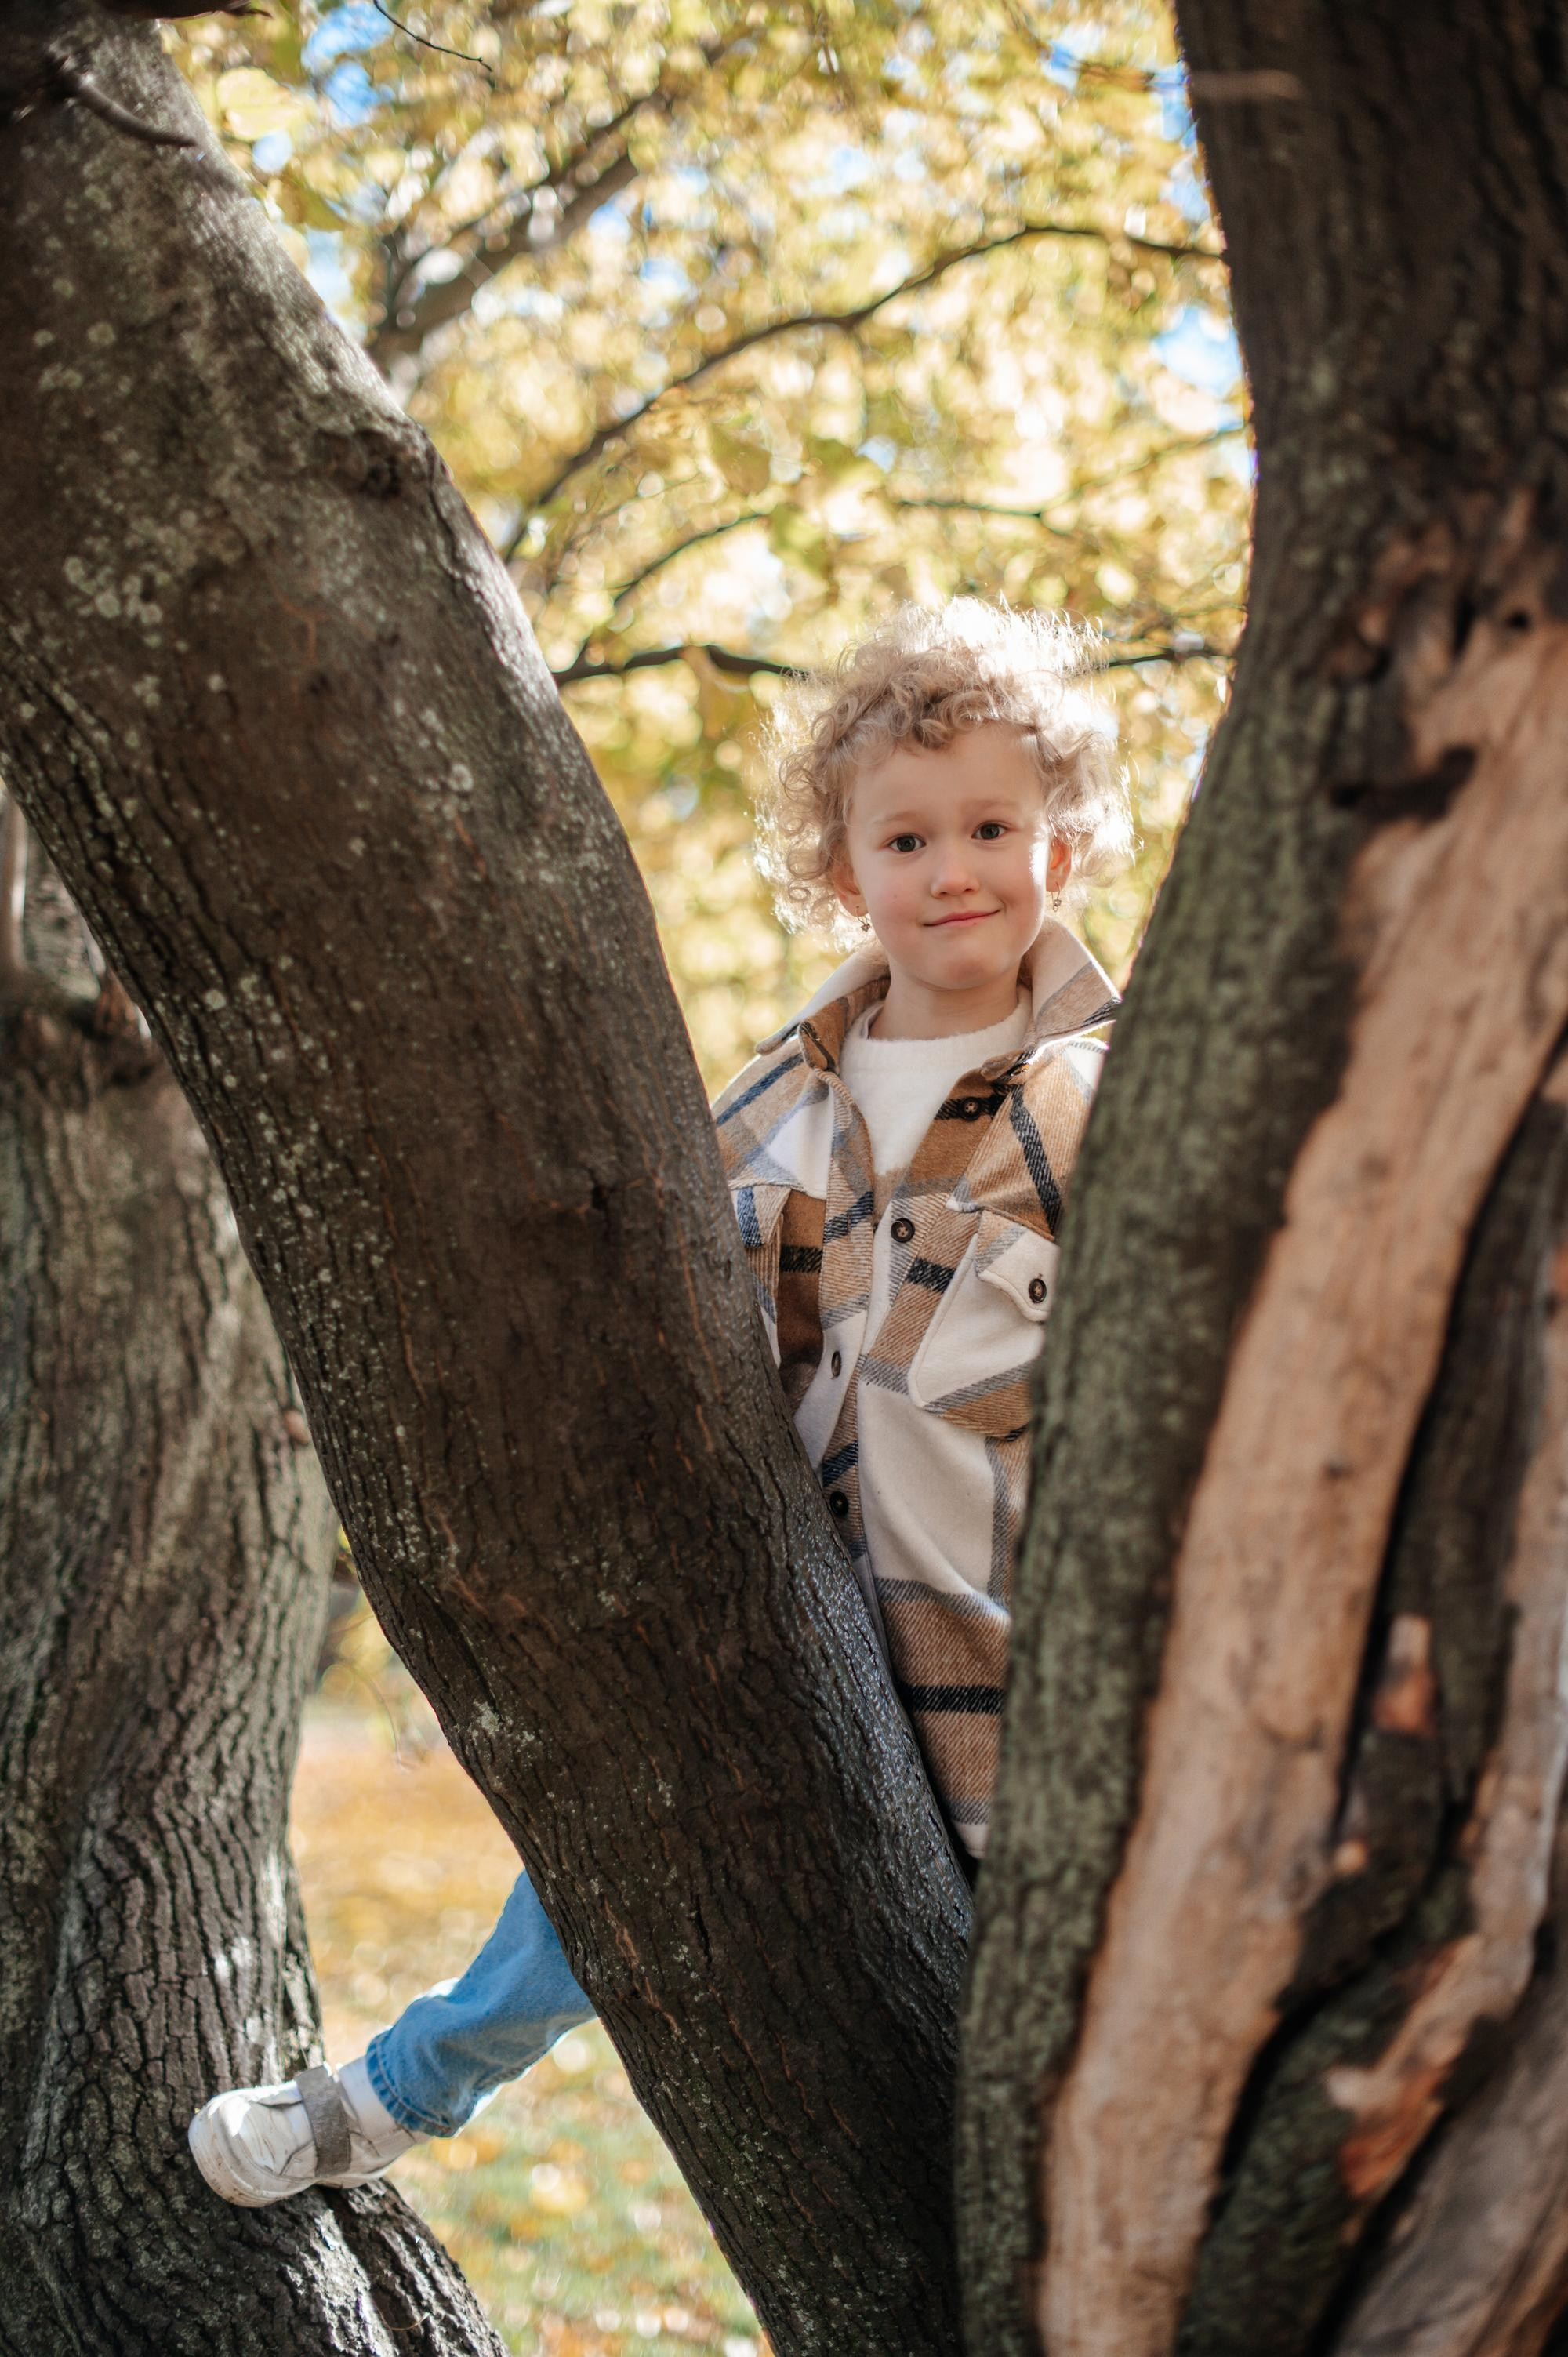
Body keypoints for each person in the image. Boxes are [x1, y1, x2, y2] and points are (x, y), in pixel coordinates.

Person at [188, 597, 1131, 2206]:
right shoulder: (764, 1102)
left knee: (1032, 2048)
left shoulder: (1116, 1098)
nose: (953, 867)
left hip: (1008, 1642)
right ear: (844, 871)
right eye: (905, 837)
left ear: (1066, 846)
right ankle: (401, 2092)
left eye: (992, 825)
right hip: (789, 1614)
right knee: (611, 1868)